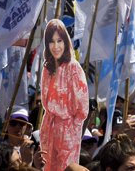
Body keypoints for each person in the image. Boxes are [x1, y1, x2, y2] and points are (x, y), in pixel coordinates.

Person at [40, 19, 89, 170]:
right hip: (49, 128)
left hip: (68, 131)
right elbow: (45, 101)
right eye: (52, 41)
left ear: (66, 42)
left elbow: (82, 109)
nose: (56, 46)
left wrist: (71, 131)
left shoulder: (74, 68)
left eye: (59, 41)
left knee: (67, 168)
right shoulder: (47, 69)